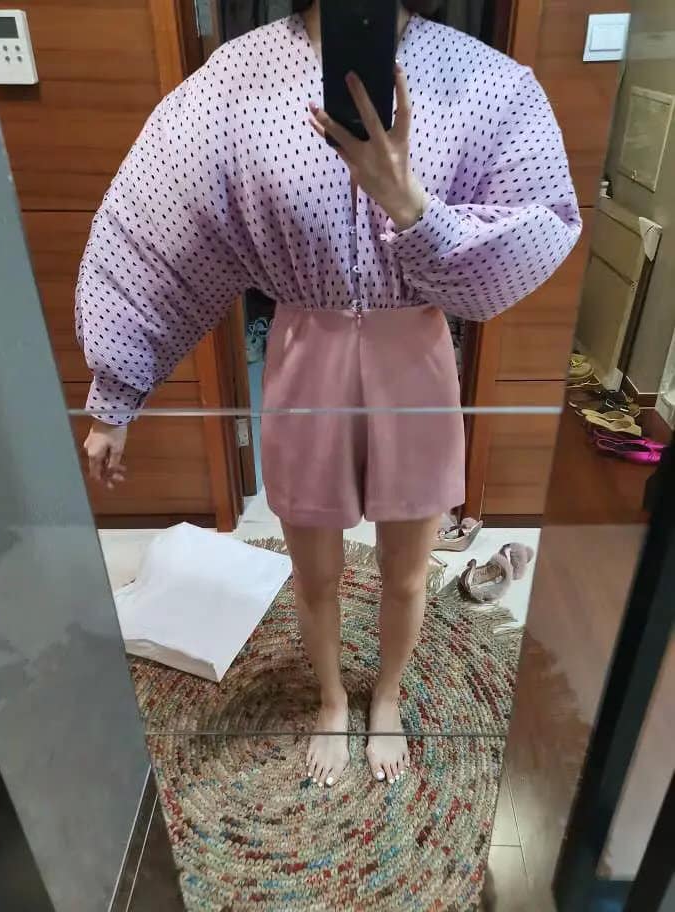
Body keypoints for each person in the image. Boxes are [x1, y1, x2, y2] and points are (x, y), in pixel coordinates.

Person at [77, 0, 580, 788]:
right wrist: (116, 393)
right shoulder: (233, 82)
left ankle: (387, 696)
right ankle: (332, 699)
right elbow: (155, 229)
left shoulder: (486, 84)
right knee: (314, 573)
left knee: (406, 572)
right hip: (305, 353)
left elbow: (534, 231)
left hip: (414, 356)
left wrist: (411, 208)